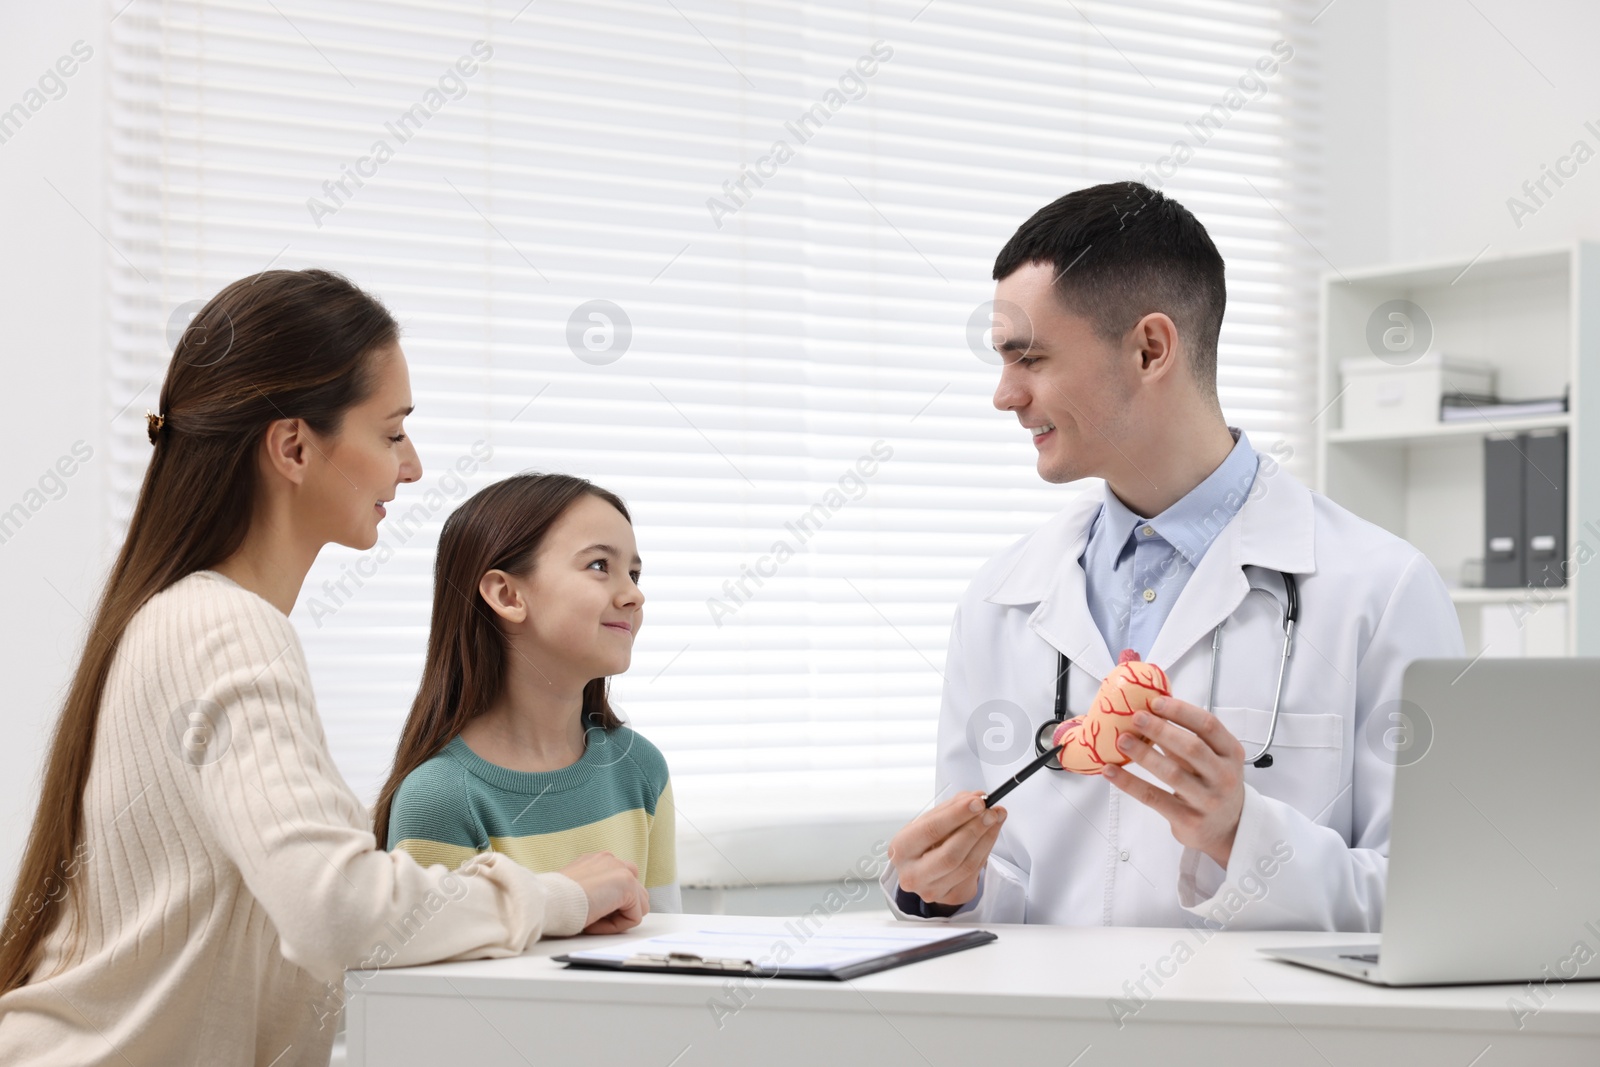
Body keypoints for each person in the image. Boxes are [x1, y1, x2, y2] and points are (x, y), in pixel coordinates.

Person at [0, 270, 648, 1066]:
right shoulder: (222, 625)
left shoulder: (185, 616)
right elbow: (335, 910)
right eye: (391, 432)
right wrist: (557, 894)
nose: (410, 467)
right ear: (295, 446)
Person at [881, 182, 1464, 931]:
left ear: (1151, 348)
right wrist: (946, 889)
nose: (1004, 394)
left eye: (1029, 358)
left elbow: (1432, 903)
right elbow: (1003, 886)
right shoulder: (999, 598)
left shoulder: (1380, 591)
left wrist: (1239, 832)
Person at [375, 473, 679, 913]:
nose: (634, 595)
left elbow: (668, 954)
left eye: (634, 573)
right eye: (599, 566)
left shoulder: (641, 769)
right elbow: (433, 975)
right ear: (506, 593)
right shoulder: (439, 798)